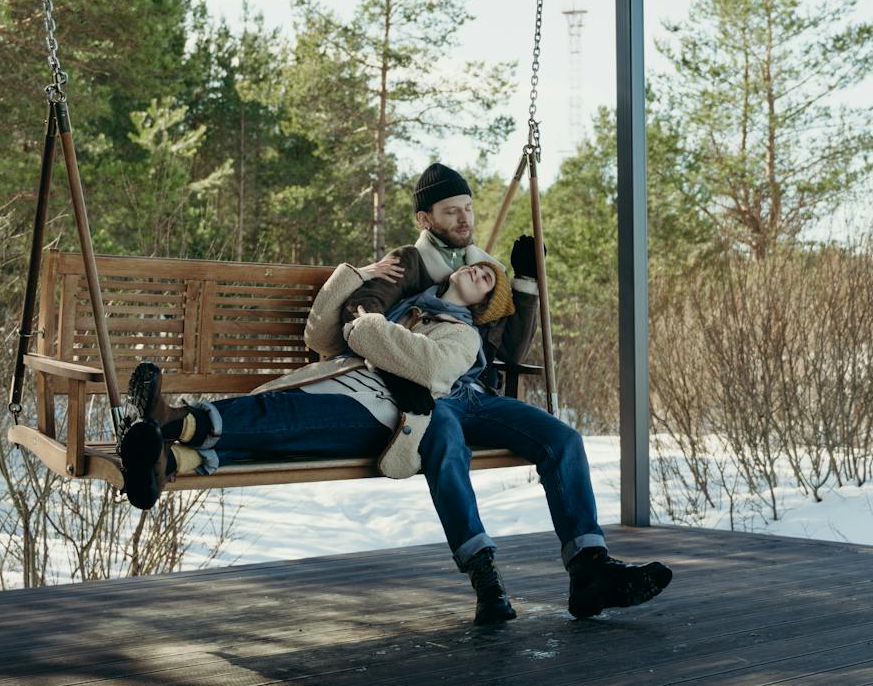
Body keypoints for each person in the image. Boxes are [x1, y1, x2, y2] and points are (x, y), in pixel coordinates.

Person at [116, 160, 672, 625]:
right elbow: (365, 316)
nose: (465, 220)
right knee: (443, 442)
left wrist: (523, 286)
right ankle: (485, 577)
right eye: (453, 211)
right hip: (417, 394)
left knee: (563, 441)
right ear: (426, 217)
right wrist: (397, 323)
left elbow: (506, 345)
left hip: (473, 391)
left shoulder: (481, 269)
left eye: (470, 210)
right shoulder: (407, 264)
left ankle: (589, 568)